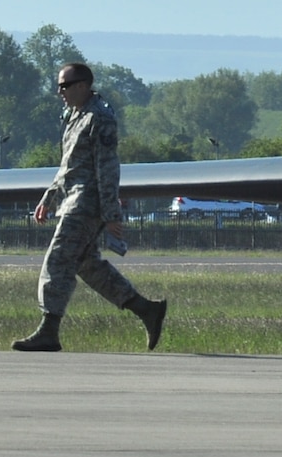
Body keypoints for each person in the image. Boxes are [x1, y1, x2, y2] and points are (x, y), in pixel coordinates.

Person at [12, 62, 168, 353]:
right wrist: (49, 197)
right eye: (59, 86)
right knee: (86, 264)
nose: (60, 92)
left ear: (83, 85)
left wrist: (110, 215)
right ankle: (146, 309)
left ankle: (49, 330)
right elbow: (69, 165)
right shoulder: (74, 116)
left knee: (58, 259)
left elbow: (107, 169)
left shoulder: (100, 118)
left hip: (86, 203)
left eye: (65, 86)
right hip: (71, 198)